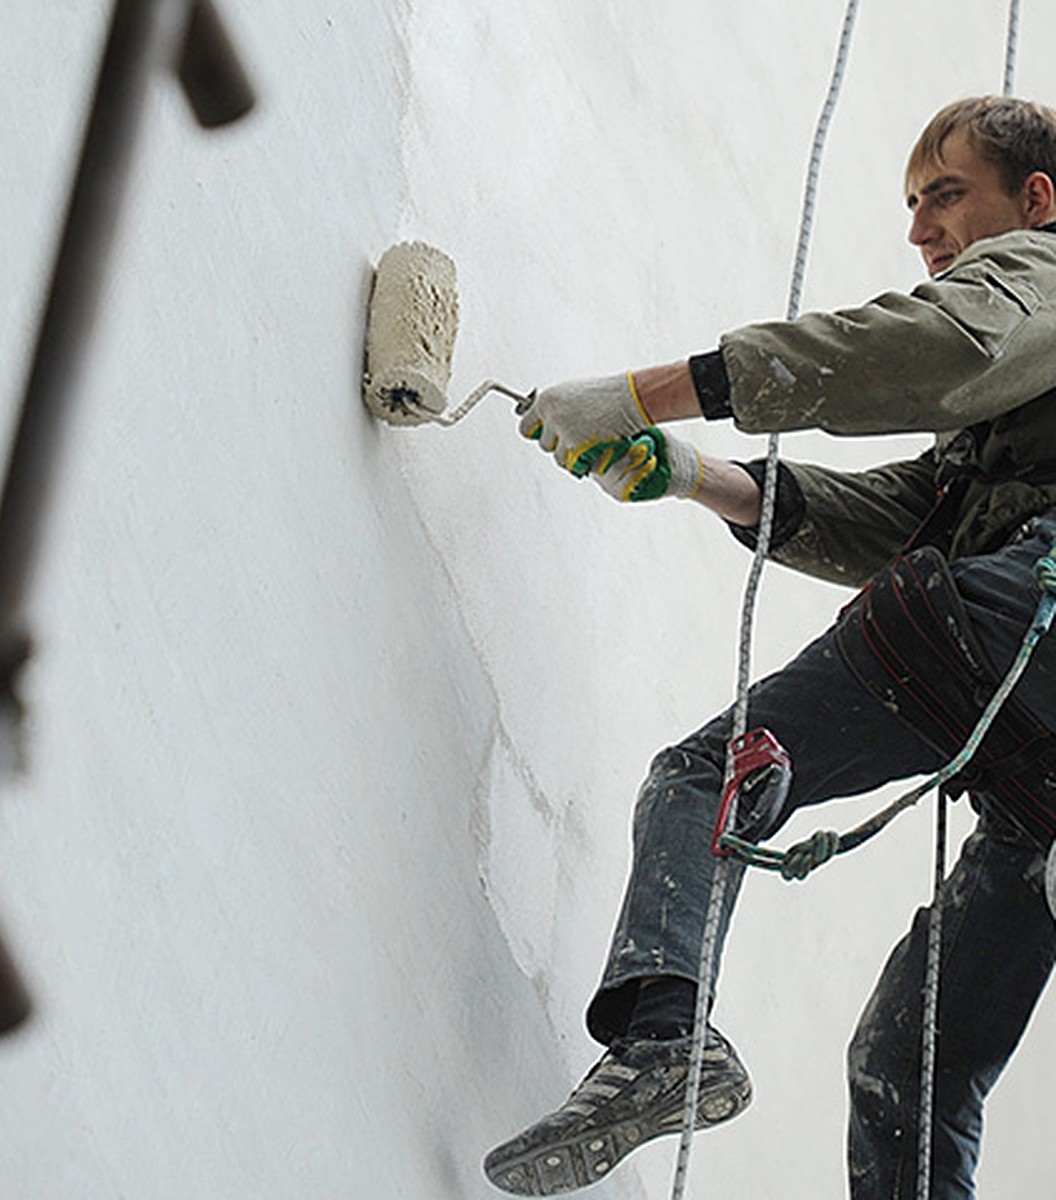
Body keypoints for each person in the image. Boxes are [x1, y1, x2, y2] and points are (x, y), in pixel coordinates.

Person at [483, 95, 1056, 1200]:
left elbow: (937, 348)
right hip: (1039, 756)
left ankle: (661, 1038)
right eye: (912, 204)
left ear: (1034, 202)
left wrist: (650, 391)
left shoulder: (1041, 271)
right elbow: (920, 513)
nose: (921, 231)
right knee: (909, 1069)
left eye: (947, 195)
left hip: (1029, 626)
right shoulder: (1019, 420)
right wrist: (694, 476)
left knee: (712, 771)